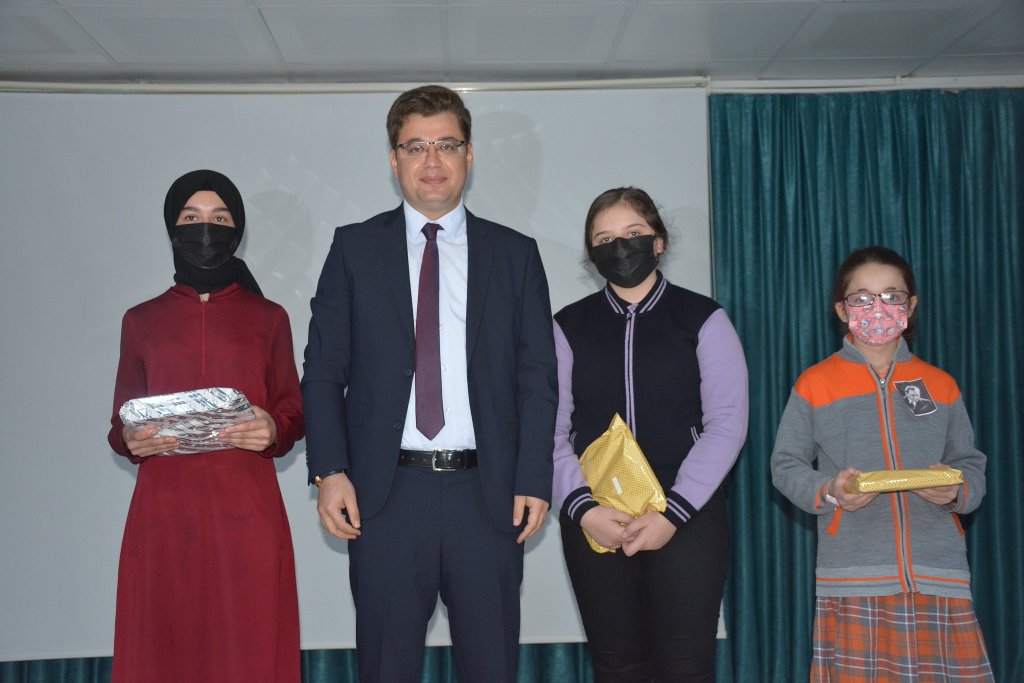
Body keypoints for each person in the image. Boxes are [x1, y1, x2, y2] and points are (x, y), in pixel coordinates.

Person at [302, 85, 558, 682]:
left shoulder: (515, 254)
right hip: (385, 499)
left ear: (470, 154)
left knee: (491, 668)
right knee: (386, 668)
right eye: (415, 147)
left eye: (447, 144)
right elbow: (323, 370)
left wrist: (532, 477)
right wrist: (329, 471)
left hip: (487, 498)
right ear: (394, 160)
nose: (432, 161)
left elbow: (537, 376)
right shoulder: (353, 248)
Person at [107, 169, 304, 683]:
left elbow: (292, 411)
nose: (205, 229)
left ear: (237, 230)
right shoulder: (140, 321)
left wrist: (273, 430)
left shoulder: (270, 318)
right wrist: (129, 438)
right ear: (171, 228)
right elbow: (119, 423)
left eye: (219, 219)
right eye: (191, 217)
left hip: (248, 510)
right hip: (164, 513)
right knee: (163, 649)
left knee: (250, 646)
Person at [552, 187, 749, 682]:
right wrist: (583, 509)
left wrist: (673, 512)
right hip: (597, 517)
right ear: (591, 253)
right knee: (616, 666)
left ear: (658, 241)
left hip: (687, 516)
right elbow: (547, 430)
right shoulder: (567, 326)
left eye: (634, 233)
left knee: (685, 667)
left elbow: (727, 423)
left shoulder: (703, 318)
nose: (620, 247)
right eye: (604, 239)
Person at [771, 246, 993, 681]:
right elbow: (786, 465)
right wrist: (831, 491)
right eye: (862, 298)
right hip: (854, 576)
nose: (878, 307)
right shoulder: (815, 383)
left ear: (911, 305)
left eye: (892, 296)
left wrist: (956, 490)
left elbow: (969, 464)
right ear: (842, 309)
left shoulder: (941, 383)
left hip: (938, 574)